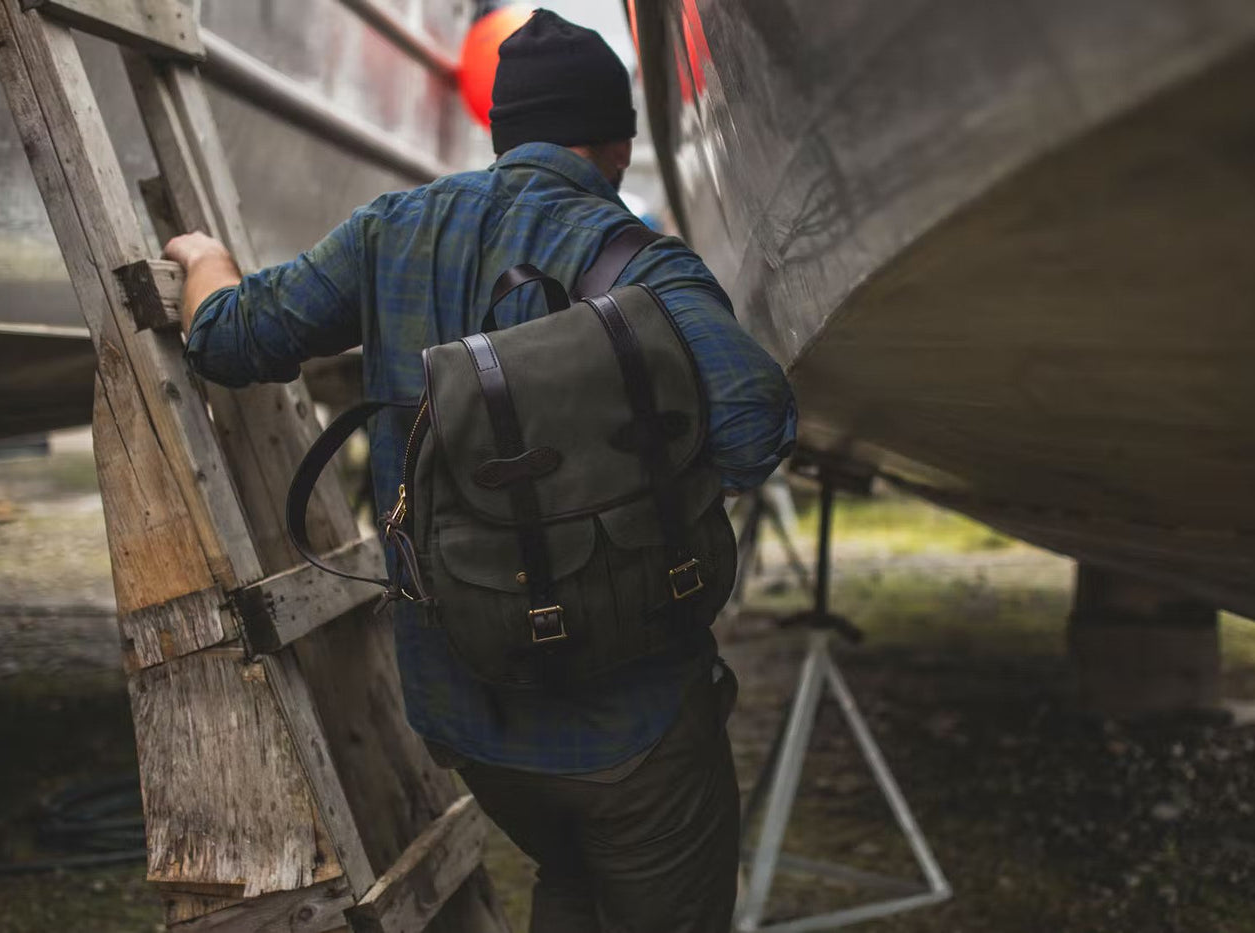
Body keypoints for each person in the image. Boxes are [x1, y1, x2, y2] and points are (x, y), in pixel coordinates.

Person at [166, 10, 796, 932]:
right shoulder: (637, 259)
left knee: (569, 875)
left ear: (499, 133)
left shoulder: (392, 230)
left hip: (467, 714)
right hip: (634, 724)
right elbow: (752, 428)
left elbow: (230, 337)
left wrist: (204, 259)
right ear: (617, 140)